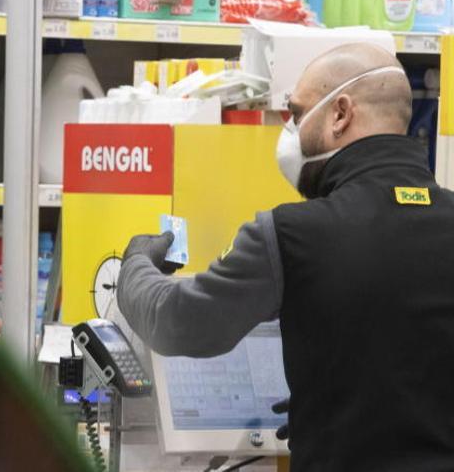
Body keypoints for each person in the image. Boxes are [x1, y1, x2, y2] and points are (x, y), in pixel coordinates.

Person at [117, 43, 454, 471]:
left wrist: (134, 266)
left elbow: (177, 323)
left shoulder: (293, 234)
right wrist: (335, 406)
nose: (289, 131)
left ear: (340, 113)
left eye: (296, 114)